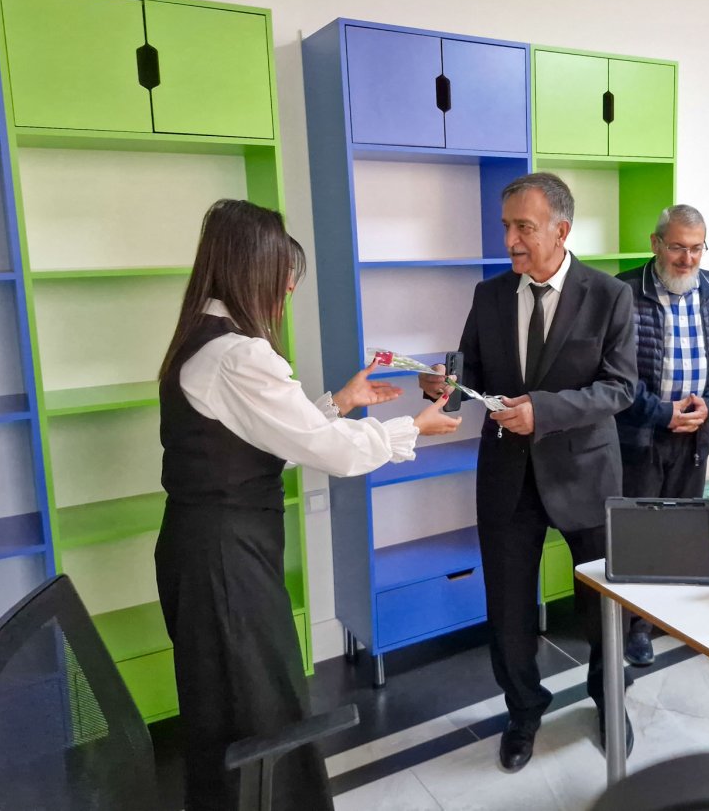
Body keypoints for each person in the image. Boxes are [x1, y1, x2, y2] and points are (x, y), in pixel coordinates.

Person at [155, 199, 461, 811]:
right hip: (225, 559)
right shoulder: (241, 355)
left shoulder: (202, 338)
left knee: (225, 701)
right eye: (281, 276)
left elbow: (262, 438)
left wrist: (339, 403)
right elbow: (330, 452)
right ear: (249, 270)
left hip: (201, 547)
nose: (287, 291)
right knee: (261, 705)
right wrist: (413, 428)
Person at [419, 172, 637, 772]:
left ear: (561, 230)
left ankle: (609, 699)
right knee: (509, 609)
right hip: (506, 477)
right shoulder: (489, 294)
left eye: (524, 228)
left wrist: (543, 411)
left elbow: (620, 388)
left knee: (603, 605)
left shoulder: (610, 295)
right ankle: (522, 712)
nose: (510, 241)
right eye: (506, 227)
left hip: (586, 475)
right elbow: (470, 374)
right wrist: (442, 385)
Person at [615, 204, 709, 666]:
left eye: (696, 248)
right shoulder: (623, 292)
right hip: (641, 436)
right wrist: (661, 413)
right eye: (677, 248)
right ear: (655, 244)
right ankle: (636, 626)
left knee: (683, 528)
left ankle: (672, 615)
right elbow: (615, 372)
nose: (687, 259)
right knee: (640, 534)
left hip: (695, 435)